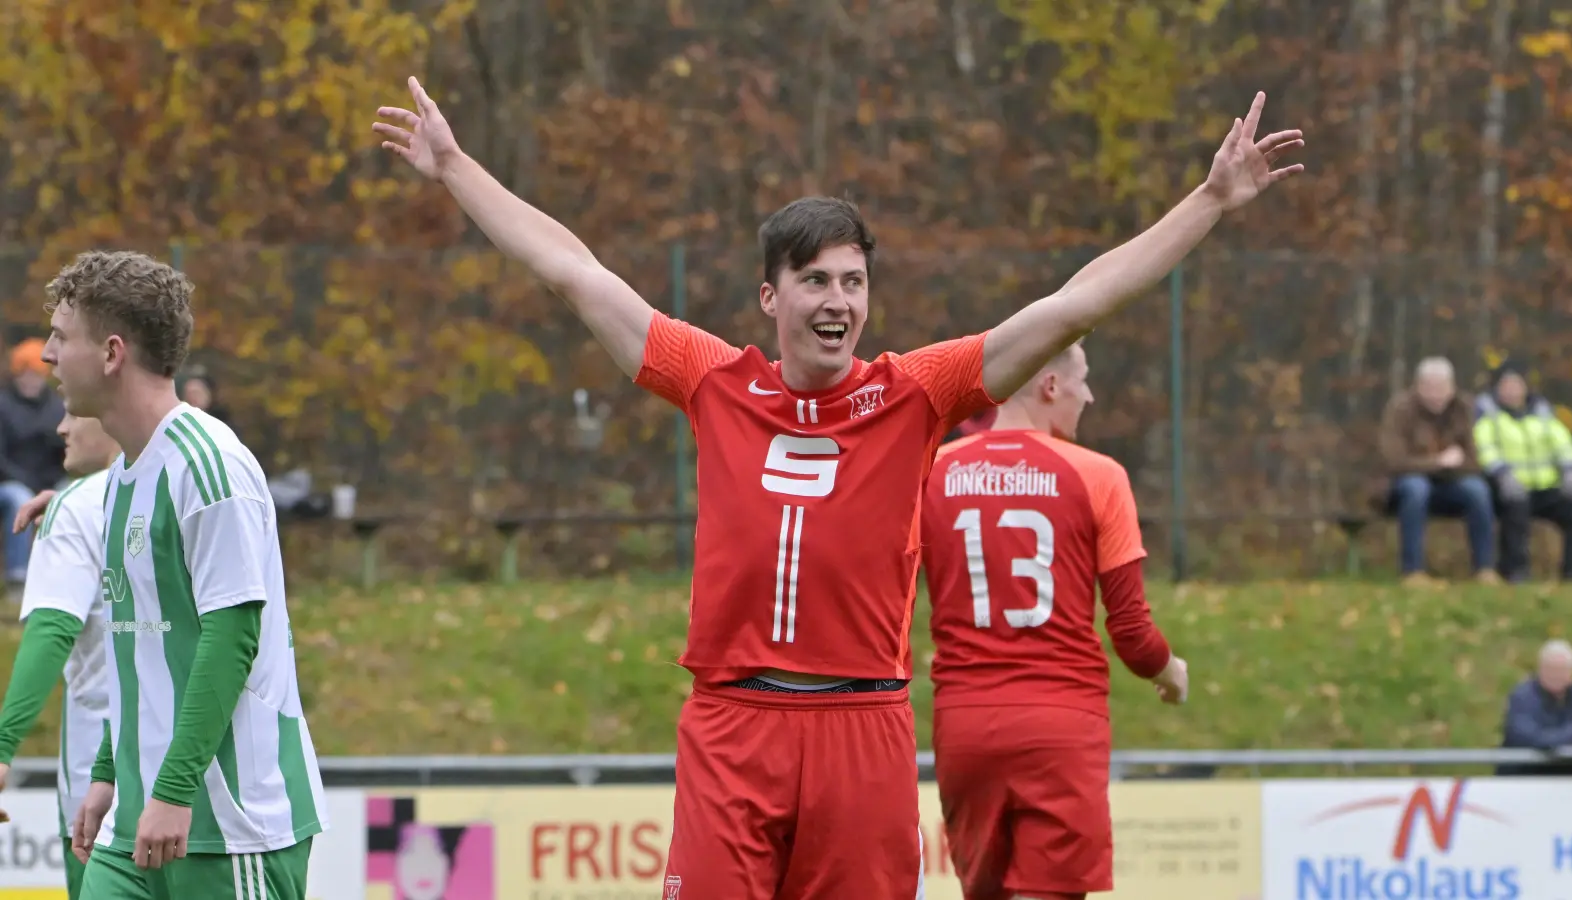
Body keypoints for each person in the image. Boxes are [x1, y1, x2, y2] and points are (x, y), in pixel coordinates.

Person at [374, 78, 1303, 898]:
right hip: (735, 722)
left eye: (854, 282)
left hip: (863, 726)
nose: (837, 301)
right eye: (814, 280)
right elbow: (573, 272)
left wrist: (1209, 202)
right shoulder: (712, 379)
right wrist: (456, 169)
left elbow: (1077, 303)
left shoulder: (917, 393)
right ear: (771, 297)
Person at [31, 250, 328, 899]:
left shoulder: (210, 467)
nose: (48, 355)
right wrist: (109, 774)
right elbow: (139, 652)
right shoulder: (120, 484)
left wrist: (172, 789)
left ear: (111, 353)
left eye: (61, 336)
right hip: (136, 822)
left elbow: (231, 642)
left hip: (230, 826)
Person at [919, 342, 1185, 900]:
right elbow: (1132, 633)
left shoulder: (932, 470)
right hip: (1060, 726)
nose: (1088, 395)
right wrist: (1169, 671)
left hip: (965, 724)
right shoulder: (1098, 476)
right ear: (1049, 385)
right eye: (1082, 380)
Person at [0, 411, 120, 899]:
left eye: (74, 410)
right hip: (194, 773)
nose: (60, 428)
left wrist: (3, 746)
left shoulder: (82, 505)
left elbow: (52, 632)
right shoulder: (184, 482)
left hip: (101, 783)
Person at [1376, 357, 1498, 585]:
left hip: (1453, 483)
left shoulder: (1466, 408)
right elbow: (1394, 460)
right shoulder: (1400, 409)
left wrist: (1452, 465)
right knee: (1416, 488)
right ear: (1417, 386)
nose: (1435, 394)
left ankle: (1485, 569)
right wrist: (1438, 462)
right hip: (1405, 485)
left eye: (1441, 388)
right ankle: (1413, 571)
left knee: (1478, 490)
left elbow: (1476, 460)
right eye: (1429, 387)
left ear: (1452, 387)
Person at [1473, 360, 1572, 582]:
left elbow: (1564, 445)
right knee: (1516, 510)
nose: (1512, 391)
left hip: (1546, 487)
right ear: (1497, 389)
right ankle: (1515, 571)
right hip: (1507, 488)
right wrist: (1502, 475)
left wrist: (1571, 472)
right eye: (1505, 386)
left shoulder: (1543, 415)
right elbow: (1485, 449)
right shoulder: (1489, 417)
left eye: (1516, 385)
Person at [0, 337, 68, 584]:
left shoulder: (57, 406)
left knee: (70, 495)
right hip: (10, 482)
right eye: (24, 374)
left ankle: (60, 574)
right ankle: (17, 575)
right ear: (16, 375)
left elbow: (65, 454)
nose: (30, 380)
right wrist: (27, 483)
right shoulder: (3, 405)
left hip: (50, 480)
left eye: (36, 375)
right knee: (20, 498)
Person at [1497, 639, 1572, 777]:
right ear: (1540, 669)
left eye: (1561, 670)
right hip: (1520, 780)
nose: (1555, 675)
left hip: (1565, 781)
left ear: (1571, 672)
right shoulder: (1522, 698)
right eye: (1550, 669)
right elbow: (1534, 740)